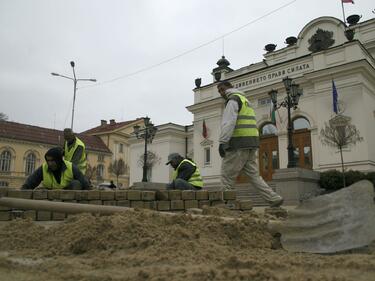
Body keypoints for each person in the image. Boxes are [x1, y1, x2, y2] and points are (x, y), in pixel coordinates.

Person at [217, 80, 284, 207]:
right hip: (252, 143)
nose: (221, 92)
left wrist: (223, 142)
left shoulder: (232, 100)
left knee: (227, 176)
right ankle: (274, 198)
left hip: (238, 143)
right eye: (219, 91)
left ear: (229, 87)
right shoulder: (245, 100)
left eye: (222, 89)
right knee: (254, 176)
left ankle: (228, 204)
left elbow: (229, 123)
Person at [22, 147, 90, 190]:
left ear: (58, 160)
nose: (50, 163)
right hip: (50, 198)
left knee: (76, 184)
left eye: (52, 161)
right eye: (48, 161)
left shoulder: (71, 167)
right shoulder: (43, 168)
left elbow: (85, 183)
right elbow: (29, 183)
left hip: (68, 198)